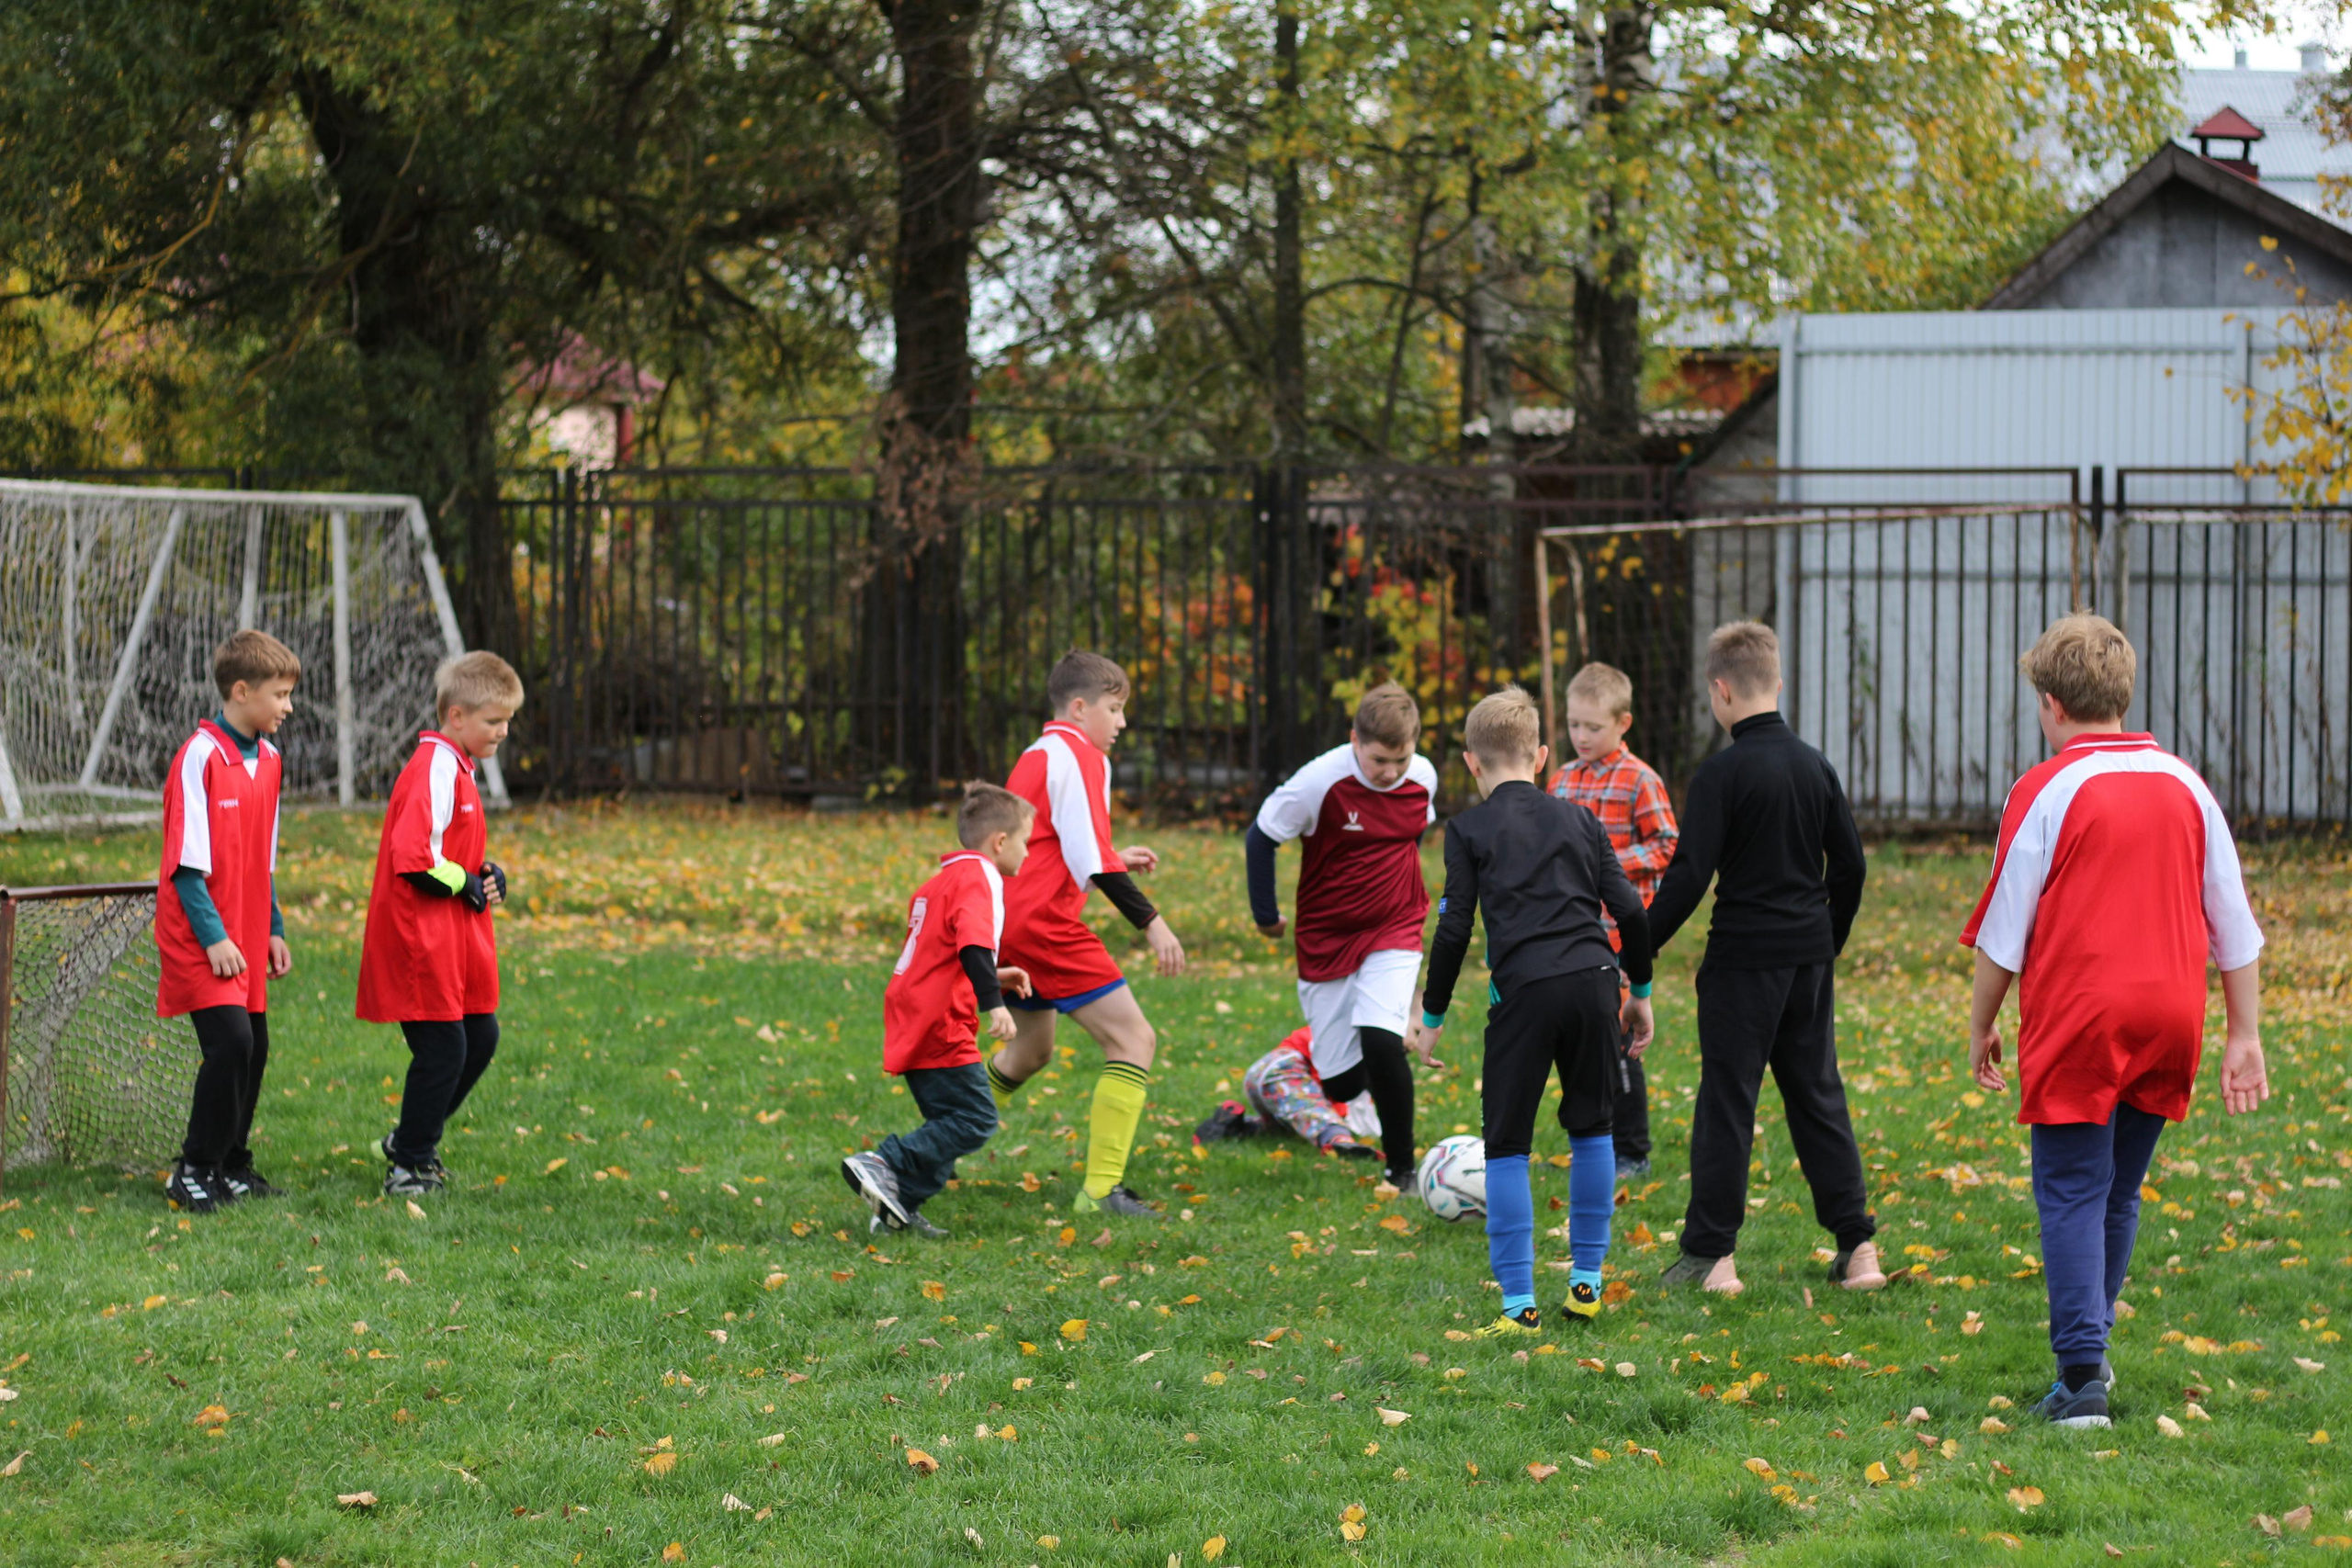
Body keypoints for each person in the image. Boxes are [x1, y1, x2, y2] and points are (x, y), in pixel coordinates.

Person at [1960, 614, 2266, 1429]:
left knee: (2069, 1186)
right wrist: (2245, 1033)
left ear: (2051, 704)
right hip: (2172, 1009)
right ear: (2124, 697)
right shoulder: (2188, 785)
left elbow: (2004, 930)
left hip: (2082, 1013)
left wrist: (1981, 1020)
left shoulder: (2045, 788)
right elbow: (2233, 920)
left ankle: (2081, 1377)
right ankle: (2090, 1347)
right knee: (2118, 1189)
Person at [1645, 621, 1879, 1298]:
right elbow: (1853, 865)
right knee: (1818, 1095)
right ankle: (1858, 1248)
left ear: (1720, 691)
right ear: (1777, 683)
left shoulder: (1721, 773)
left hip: (1742, 961)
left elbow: (1690, 874)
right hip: (1808, 960)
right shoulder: (1814, 764)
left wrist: (1639, 943)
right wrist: (1825, 939)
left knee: (1727, 1099)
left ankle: (1713, 1257)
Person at [1411, 687, 1655, 1335]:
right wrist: (1642, 993)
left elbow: (1454, 928)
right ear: (1543, 756)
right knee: (1593, 1129)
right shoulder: (1581, 820)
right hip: (1597, 981)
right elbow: (1629, 911)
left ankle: (1519, 1305)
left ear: (1471, 762)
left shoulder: (1466, 830)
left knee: (1509, 1148)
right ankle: (1587, 1284)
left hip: (1525, 994)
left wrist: (1431, 1017)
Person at [985, 650, 1186, 1220]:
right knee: (1133, 1041)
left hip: (1008, 920)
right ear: (1079, 708)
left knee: (1030, 1050)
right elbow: (1084, 855)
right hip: (1045, 926)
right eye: (1114, 708)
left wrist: (1109, 856)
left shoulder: (1039, 753)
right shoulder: (1081, 756)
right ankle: (1100, 1192)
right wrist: (1153, 923)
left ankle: (927, 1154)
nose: (1121, 723)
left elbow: (1044, 845)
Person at [1244, 682, 1441, 1184]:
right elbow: (1261, 836)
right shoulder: (1319, 782)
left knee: (1381, 1039)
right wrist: (1265, 916)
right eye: (1379, 760)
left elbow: (1411, 833)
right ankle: (1347, 1079)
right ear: (1354, 739)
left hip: (1395, 923)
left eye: (1401, 758)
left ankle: (1403, 1170)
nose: (1391, 772)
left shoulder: (1423, 778)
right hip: (1326, 935)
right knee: (1342, 1079)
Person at [356, 651, 523, 1199]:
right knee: (444, 1049)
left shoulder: (457, 766)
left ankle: (411, 1138)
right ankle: (410, 1164)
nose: (503, 731)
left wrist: (485, 874)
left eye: (507, 721)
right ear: (456, 716)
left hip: (451, 938)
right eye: (493, 721)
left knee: (481, 1034)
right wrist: (466, 883)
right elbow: (415, 857)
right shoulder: (435, 766)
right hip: (417, 940)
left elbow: (446, 849)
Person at [842, 783, 1035, 1238]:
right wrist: (994, 1004)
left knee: (948, 1121)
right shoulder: (981, 877)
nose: (1028, 853)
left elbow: (945, 948)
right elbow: (969, 941)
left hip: (915, 1008)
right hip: (940, 1017)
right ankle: (883, 1162)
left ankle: (898, 1209)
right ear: (1000, 842)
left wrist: (994, 973)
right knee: (975, 1119)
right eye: (1026, 841)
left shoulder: (942, 880)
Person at [156, 630, 301, 1213]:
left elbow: (262, 860)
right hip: (200, 932)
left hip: (244, 931)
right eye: (281, 694)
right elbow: (185, 869)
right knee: (230, 1042)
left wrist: (273, 927)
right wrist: (214, 938)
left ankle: (232, 1165)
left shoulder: (269, 759)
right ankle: (193, 1168)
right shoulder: (199, 757)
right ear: (241, 692)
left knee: (255, 1046)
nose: (288, 706)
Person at [1548, 660, 1679, 1178]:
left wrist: (1609, 866)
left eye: (1593, 727)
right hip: (1569, 935)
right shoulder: (1560, 780)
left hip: (1623, 937)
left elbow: (1669, 845)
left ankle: (1632, 1150)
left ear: (1623, 723)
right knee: (1579, 1036)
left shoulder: (1640, 780)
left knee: (1620, 1037)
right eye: (1574, 724)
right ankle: (1592, 1141)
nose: (1581, 736)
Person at [1194, 1025, 1386, 1158]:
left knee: (1291, 1122)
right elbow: (1329, 1075)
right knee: (1310, 1109)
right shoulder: (1354, 1037)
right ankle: (1338, 1141)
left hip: (1267, 1074)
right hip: (1283, 1068)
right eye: (1416, 1031)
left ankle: (1236, 1126)